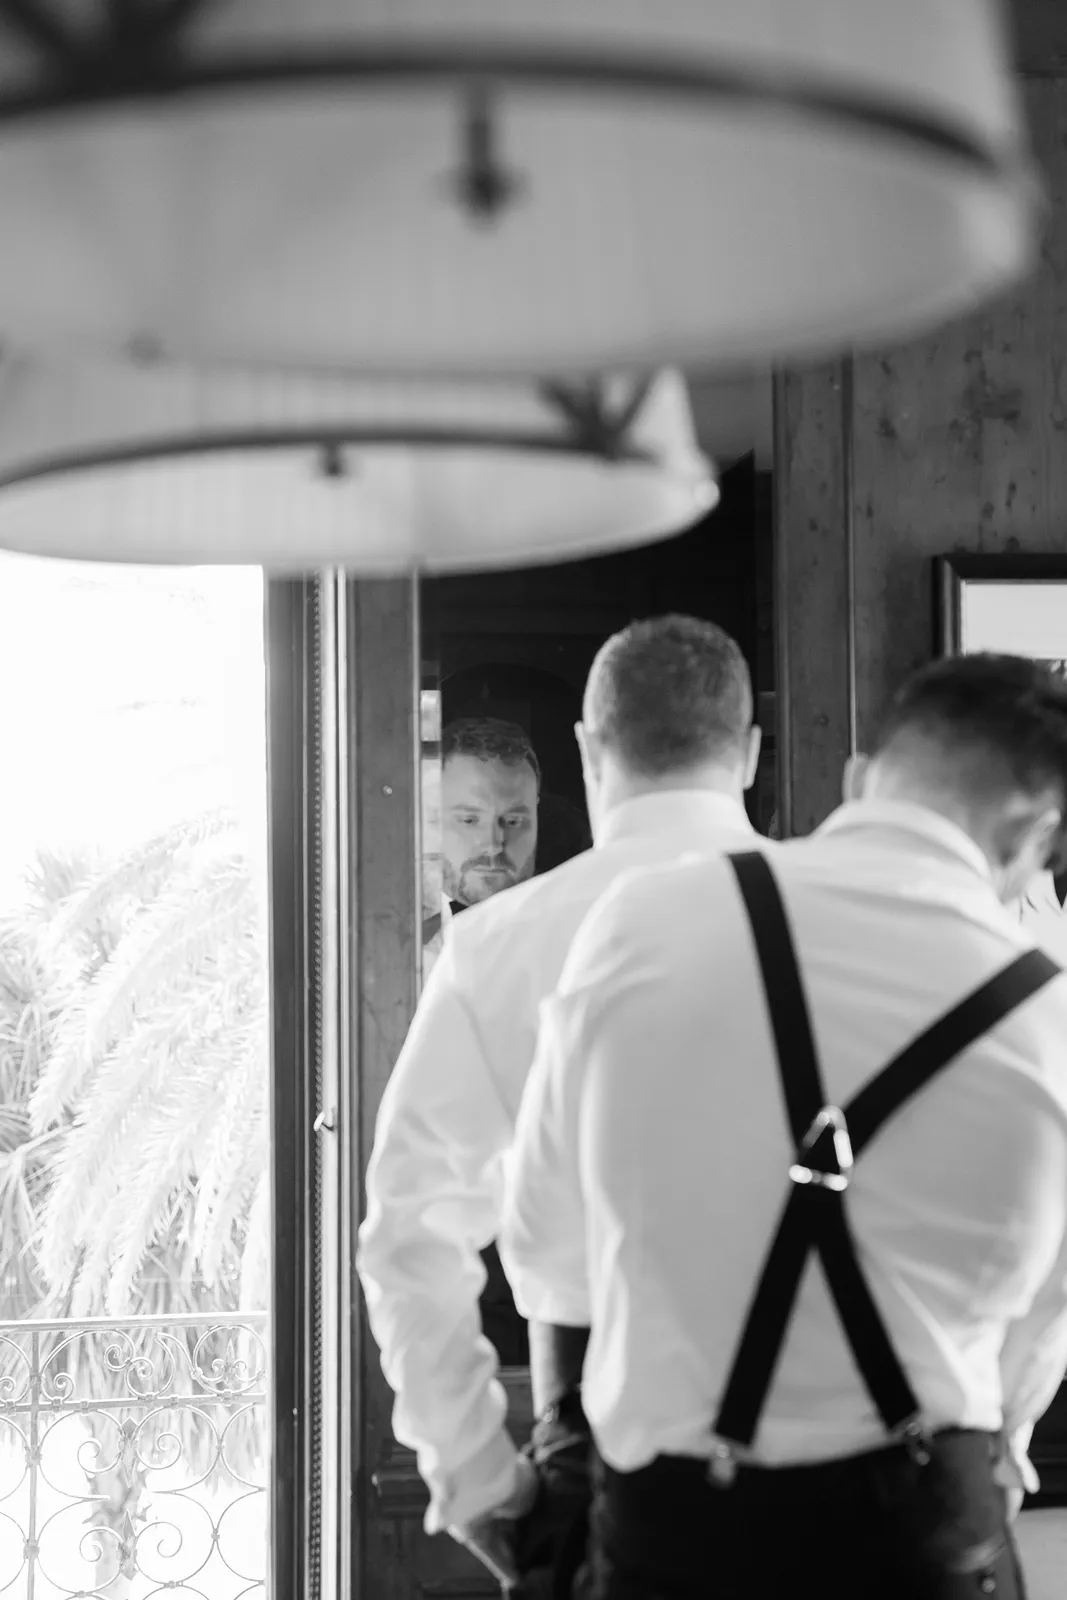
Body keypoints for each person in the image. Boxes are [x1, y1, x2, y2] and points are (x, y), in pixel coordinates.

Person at [503, 652, 1067, 1600]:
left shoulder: (642, 917)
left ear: (857, 781)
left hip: (673, 1529)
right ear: (1036, 831)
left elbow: (544, 1238)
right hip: (921, 1528)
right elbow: (1041, 1317)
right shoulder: (1047, 1020)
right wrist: (1000, 1440)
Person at [357, 615, 764, 1589]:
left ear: (584, 753)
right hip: (869, 1460)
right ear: (749, 751)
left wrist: (474, 1480)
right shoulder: (860, 919)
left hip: (604, 1442)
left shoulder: (503, 948)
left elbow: (409, 1234)